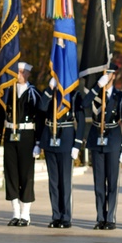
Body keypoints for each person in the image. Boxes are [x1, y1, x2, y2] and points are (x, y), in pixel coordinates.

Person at [82, 63, 122, 229]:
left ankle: (110, 218)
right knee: (99, 182)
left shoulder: (120, 96)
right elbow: (84, 105)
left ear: (114, 75)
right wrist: (97, 86)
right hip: (96, 139)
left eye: (108, 74)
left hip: (113, 138)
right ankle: (100, 217)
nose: (106, 76)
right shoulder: (95, 94)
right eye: (103, 74)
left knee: (112, 182)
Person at [38, 76, 86, 228]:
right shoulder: (50, 93)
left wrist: (77, 144)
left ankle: (66, 216)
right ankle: (56, 215)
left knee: (65, 181)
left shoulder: (74, 95)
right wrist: (49, 88)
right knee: (53, 181)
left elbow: (81, 120)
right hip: (50, 139)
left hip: (66, 140)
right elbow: (41, 108)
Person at [1, 62, 41, 226]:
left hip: (26, 135)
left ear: (28, 74)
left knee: (26, 175)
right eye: (17, 72)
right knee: (11, 174)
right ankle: (15, 213)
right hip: (11, 134)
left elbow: (39, 117)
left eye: (23, 72)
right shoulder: (8, 91)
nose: (19, 75)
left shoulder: (33, 93)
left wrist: (38, 142)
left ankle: (25, 213)